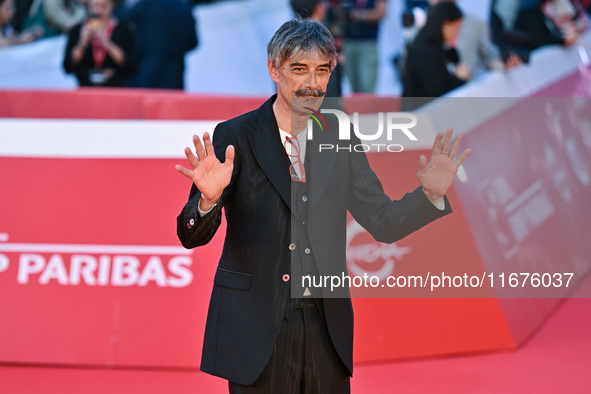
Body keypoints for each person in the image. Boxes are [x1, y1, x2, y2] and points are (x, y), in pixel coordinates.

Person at [176, 19, 470, 393]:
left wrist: (429, 196)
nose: (311, 83)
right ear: (274, 69)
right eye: (299, 69)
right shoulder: (236, 135)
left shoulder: (341, 135)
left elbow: (382, 221)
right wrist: (208, 200)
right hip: (256, 327)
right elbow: (190, 236)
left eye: (322, 70)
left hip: (325, 328)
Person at [402, 1, 469, 110]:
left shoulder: (435, 46)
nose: (457, 33)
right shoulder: (424, 50)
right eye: (456, 28)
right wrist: (458, 78)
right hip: (420, 117)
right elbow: (436, 92)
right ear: (445, 25)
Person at [123, 0, 198, 90]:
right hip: (175, 75)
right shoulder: (184, 6)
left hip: (146, 73)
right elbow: (192, 42)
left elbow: (131, 35)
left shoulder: (145, 4)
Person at [63, 0, 134, 87]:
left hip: (115, 88)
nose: (98, 11)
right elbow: (68, 66)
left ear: (111, 5)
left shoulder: (123, 30)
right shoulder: (78, 30)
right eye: (94, 6)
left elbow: (131, 65)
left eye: (103, 6)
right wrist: (82, 44)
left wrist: (107, 43)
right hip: (86, 87)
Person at [343, 0, 386, 93]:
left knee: (366, 85)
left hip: (367, 43)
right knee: (353, 85)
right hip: (349, 42)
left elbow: (381, 13)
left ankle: (367, 107)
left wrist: (359, 15)